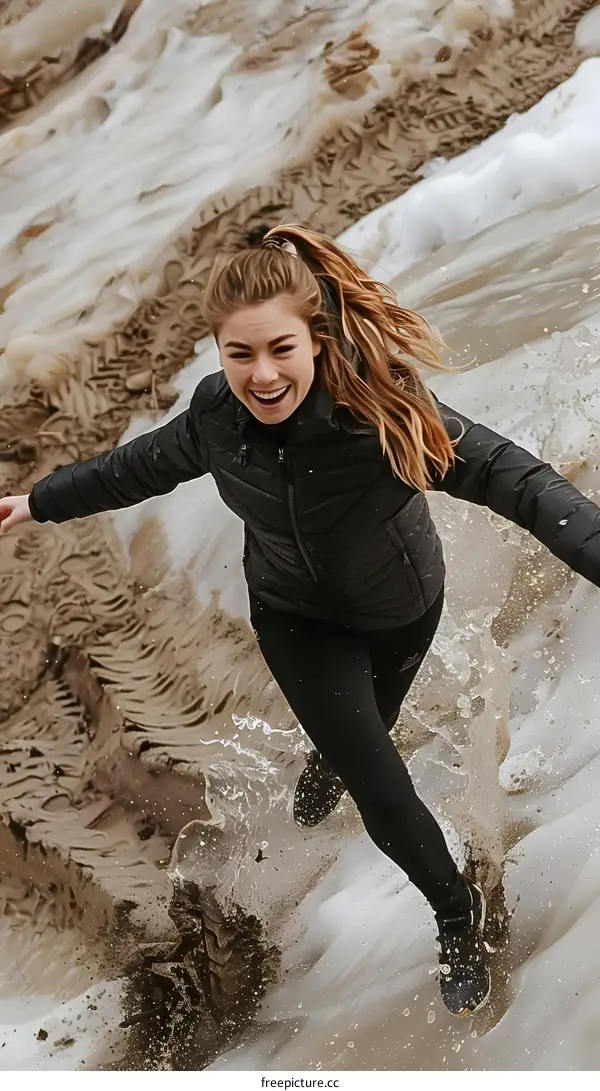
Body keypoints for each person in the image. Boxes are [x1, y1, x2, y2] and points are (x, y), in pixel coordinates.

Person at [2, 226, 600, 1020]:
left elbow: (515, 479)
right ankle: (459, 912)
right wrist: (36, 501)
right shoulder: (215, 416)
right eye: (239, 354)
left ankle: (335, 759)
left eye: (280, 348)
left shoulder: (381, 411)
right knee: (378, 780)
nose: (262, 373)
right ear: (218, 352)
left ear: (316, 338)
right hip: (294, 618)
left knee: (365, 733)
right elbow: (136, 466)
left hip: (401, 613)